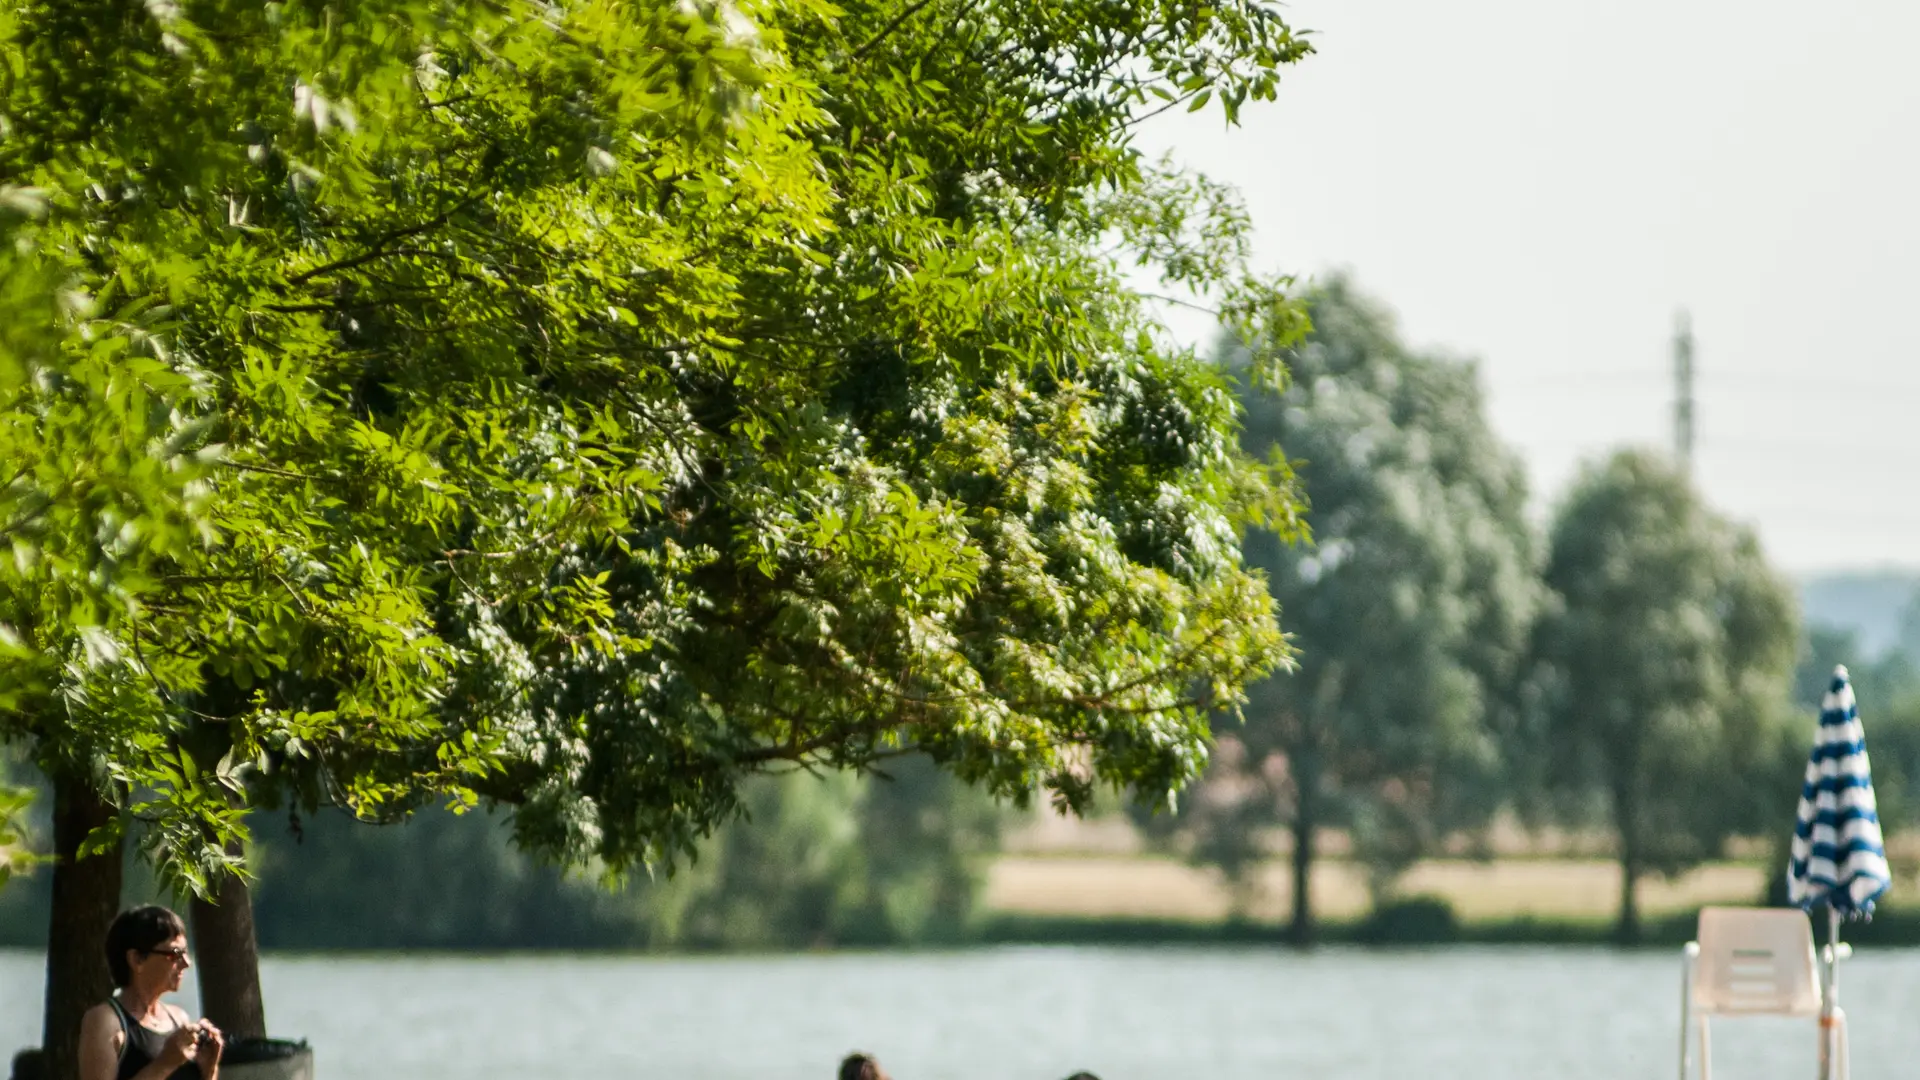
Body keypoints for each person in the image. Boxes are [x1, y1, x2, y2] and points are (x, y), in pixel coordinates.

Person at [77, 906, 224, 1080]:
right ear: (136, 959)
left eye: (185, 952)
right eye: (175, 953)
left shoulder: (179, 1019)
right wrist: (164, 1064)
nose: (186, 963)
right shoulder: (105, 1022)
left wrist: (209, 1070)